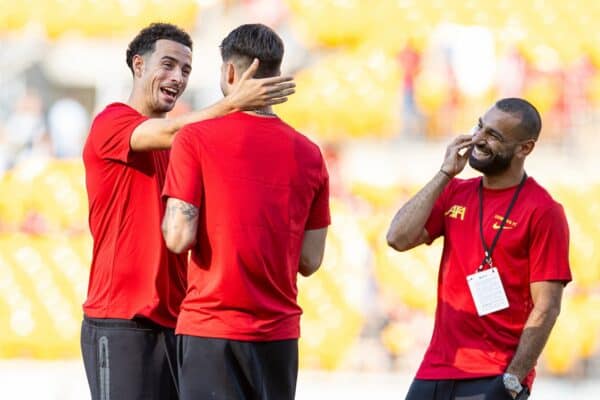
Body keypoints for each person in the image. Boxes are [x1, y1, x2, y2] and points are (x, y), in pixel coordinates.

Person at [81, 22, 295, 400]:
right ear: (138, 65)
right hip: (122, 319)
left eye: (186, 70)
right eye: (168, 65)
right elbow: (169, 132)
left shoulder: (186, 146)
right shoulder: (111, 122)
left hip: (178, 321)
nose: (177, 77)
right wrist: (233, 103)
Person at [161, 23, 330, 400]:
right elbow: (310, 259)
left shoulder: (194, 138)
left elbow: (177, 237)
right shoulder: (310, 154)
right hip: (278, 336)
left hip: (211, 330)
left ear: (230, 72)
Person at [386, 98, 571, 400]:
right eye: (481, 127)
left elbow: (547, 306)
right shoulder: (456, 191)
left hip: (493, 375)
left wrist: (513, 380)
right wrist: (445, 173)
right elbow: (397, 237)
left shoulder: (544, 210)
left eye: (494, 136)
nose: (479, 140)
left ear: (525, 148)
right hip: (436, 368)